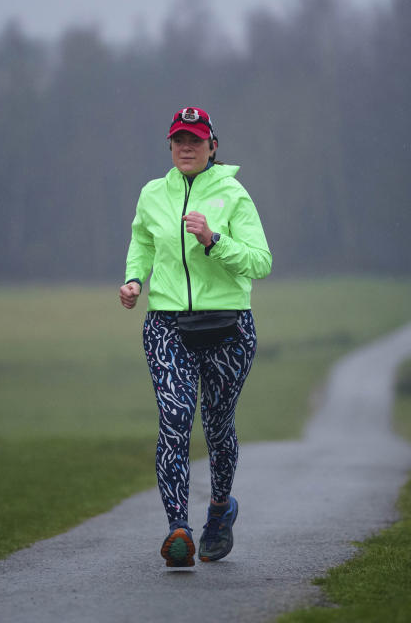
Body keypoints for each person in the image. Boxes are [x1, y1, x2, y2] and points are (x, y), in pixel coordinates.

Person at [119, 106, 272, 567]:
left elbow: (260, 262)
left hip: (228, 327)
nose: (186, 148)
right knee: (176, 416)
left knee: (217, 425)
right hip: (167, 324)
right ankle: (178, 529)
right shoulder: (152, 194)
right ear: (170, 145)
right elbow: (142, 241)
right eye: (179, 140)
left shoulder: (234, 194)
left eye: (196, 140)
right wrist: (133, 280)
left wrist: (214, 240)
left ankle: (221, 509)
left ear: (213, 146)